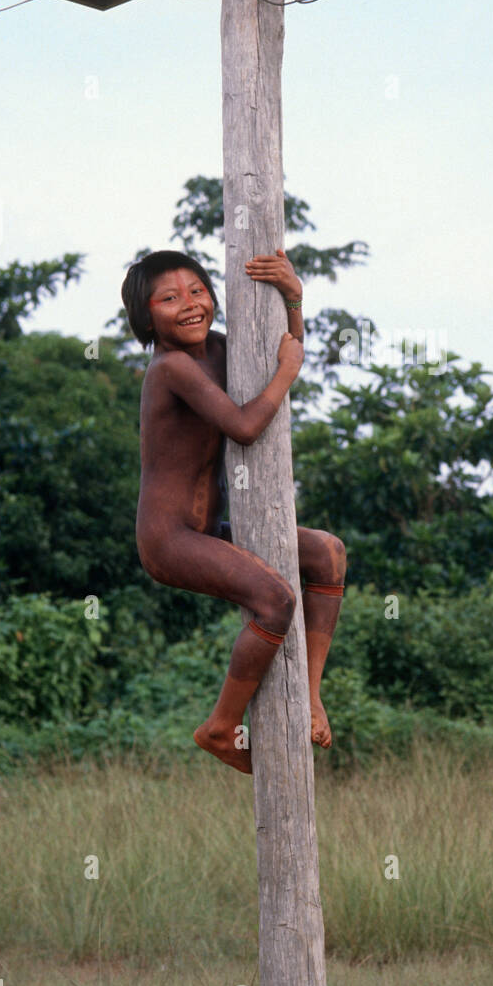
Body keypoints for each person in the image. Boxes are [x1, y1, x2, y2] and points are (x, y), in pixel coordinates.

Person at [120, 247, 346, 774]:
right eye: (170, 299)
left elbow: (283, 350)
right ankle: (221, 725)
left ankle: (310, 696)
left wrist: (294, 298)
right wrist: (288, 373)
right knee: (274, 600)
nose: (190, 305)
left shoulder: (221, 349)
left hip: (209, 527)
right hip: (169, 538)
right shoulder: (171, 368)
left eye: (197, 291)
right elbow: (245, 425)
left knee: (327, 554)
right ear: (145, 315)